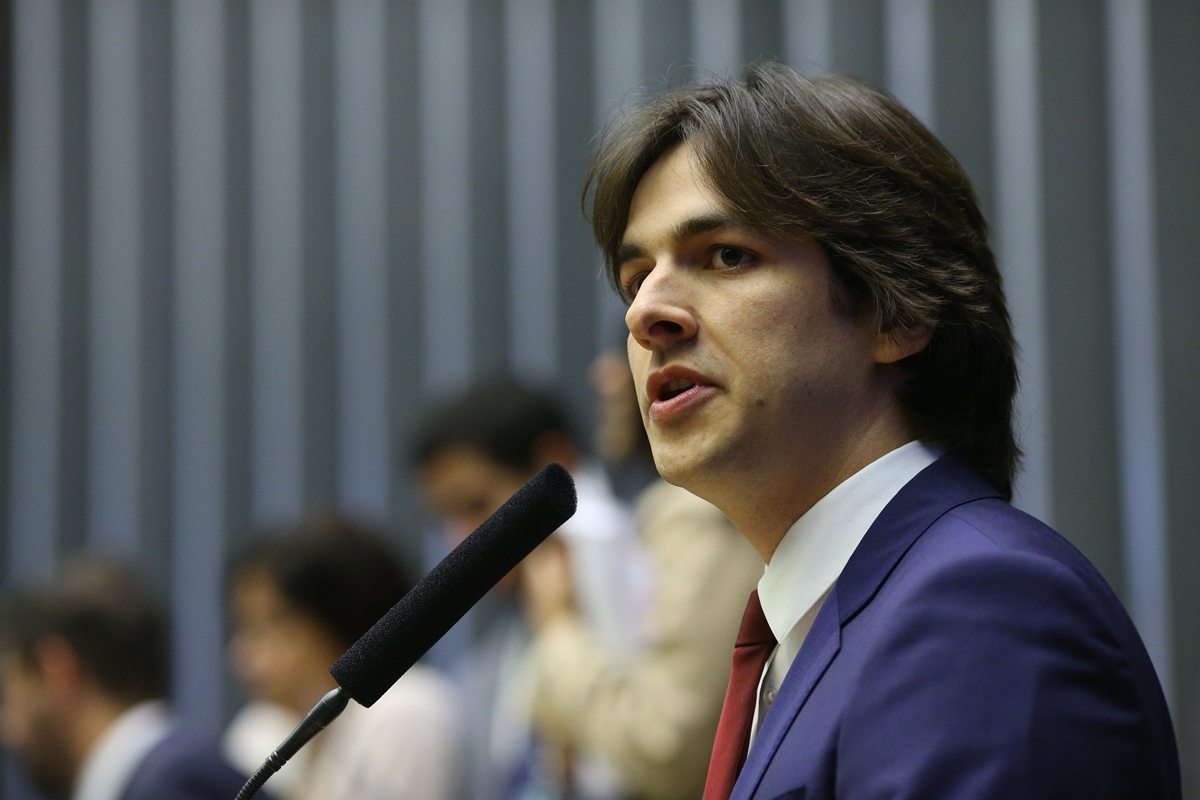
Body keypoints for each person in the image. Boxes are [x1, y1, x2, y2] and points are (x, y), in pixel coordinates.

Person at [585, 62, 1180, 799]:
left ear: (897, 312)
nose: (644, 313)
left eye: (727, 255)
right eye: (635, 277)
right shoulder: (820, 628)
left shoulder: (981, 606)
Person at [521, 351, 761, 800]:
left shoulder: (699, 515)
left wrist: (557, 630)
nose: (607, 375)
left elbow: (667, 751)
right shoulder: (640, 519)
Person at [415, 378, 647, 800]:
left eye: (476, 505)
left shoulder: (628, 557)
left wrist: (560, 626)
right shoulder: (494, 650)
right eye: (445, 518)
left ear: (555, 465)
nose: (459, 540)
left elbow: (645, 755)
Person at [224, 514, 459, 800]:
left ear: (338, 616)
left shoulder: (404, 710)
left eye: (272, 625)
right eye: (244, 627)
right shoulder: (260, 729)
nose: (243, 652)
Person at [0, 560, 248, 800]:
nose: (6, 727)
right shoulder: (163, 776)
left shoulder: (172, 785)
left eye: (10, 691)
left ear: (59, 672)